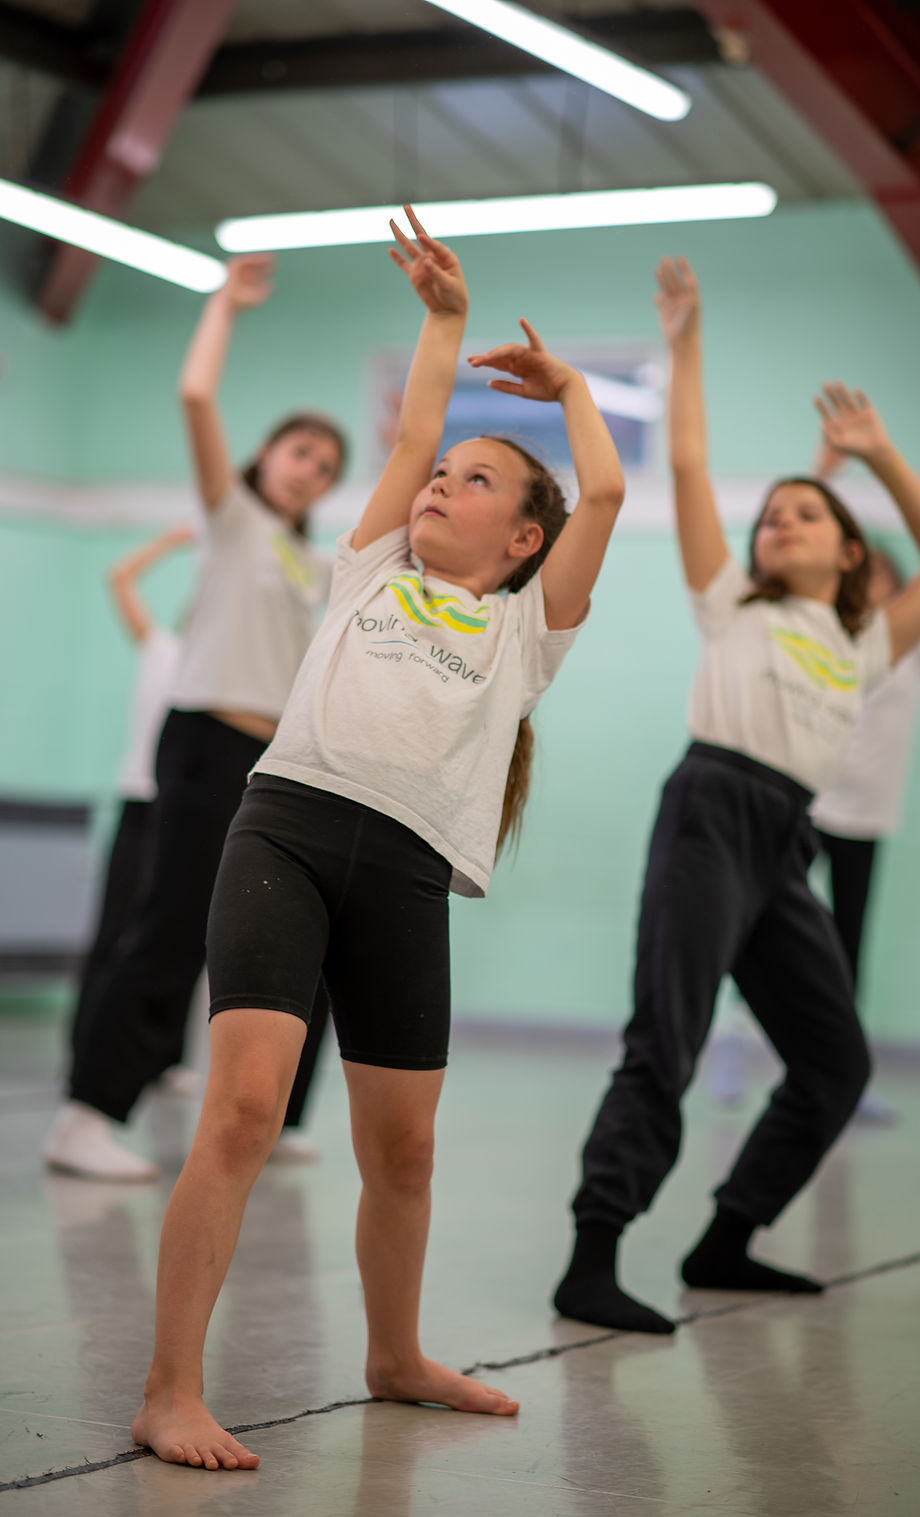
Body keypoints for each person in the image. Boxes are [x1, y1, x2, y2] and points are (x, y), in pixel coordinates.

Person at [130, 207, 625, 1470]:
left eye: (473, 479)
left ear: (523, 540)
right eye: (441, 471)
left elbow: (606, 488)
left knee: (401, 1147)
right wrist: (444, 322)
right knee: (242, 1110)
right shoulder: (365, 568)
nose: (440, 483)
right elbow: (410, 432)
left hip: (406, 871)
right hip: (285, 829)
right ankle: (169, 1386)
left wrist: (567, 385)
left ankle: (394, 1354)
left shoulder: (525, 632)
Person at [553, 256, 920, 1335]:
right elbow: (686, 459)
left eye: (804, 513)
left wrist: (874, 457)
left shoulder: (866, 639)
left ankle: (724, 1237)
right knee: (668, 1038)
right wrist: (684, 340)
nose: (777, 521)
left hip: (784, 838)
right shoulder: (731, 602)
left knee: (834, 1060)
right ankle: (591, 1254)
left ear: (847, 554)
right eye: (771, 514)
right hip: (707, 808)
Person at [44, 254, 346, 1181]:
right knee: (170, 927)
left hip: (274, 762)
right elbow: (194, 400)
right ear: (267, 456)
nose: (310, 472)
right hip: (206, 742)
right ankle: (88, 1115)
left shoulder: (312, 559)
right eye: (300, 453)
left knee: (289, 937)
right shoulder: (234, 517)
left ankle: (281, 1111)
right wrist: (224, 306)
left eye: (327, 467)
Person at [61, 527, 190, 1125]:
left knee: (178, 935)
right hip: (141, 806)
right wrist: (170, 541)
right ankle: (84, 1045)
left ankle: (165, 1056)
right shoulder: (162, 650)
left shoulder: (230, 681)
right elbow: (119, 578)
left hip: (184, 812)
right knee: (115, 934)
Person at [811, 543, 920, 1121]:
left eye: (888, 575)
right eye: (869, 575)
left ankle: (845, 1077)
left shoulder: (916, 646)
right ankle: (736, 1041)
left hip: (868, 817)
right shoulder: (837, 640)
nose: (877, 584)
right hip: (813, 806)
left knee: (849, 943)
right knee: (761, 918)